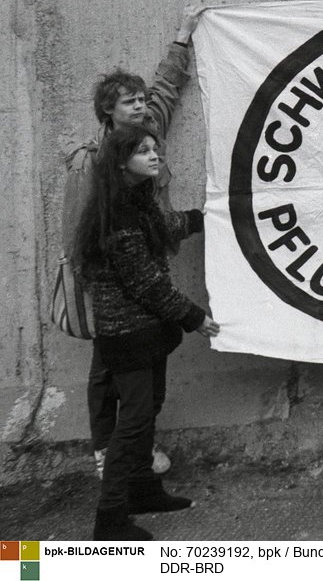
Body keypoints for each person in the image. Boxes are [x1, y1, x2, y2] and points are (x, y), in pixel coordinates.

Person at [62, 8, 203, 480]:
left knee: (141, 372)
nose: (141, 108)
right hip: (108, 278)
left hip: (142, 272)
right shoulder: (92, 162)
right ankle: (110, 454)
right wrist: (88, 281)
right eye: (129, 103)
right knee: (108, 370)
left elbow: (167, 86)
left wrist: (183, 35)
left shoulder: (148, 135)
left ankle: (132, 452)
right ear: (109, 112)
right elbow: (78, 229)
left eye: (142, 102)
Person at [74, 126, 220, 540]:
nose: (154, 156)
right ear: (122, 162)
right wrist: (194, 318)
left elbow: (165, 226)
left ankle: (141, 492)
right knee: (133, 421)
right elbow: (145, 284)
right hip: (127, 336)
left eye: (155, 149)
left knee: (147, 410)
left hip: (146, 332)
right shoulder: (117, 213)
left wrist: (206, 218)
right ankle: (110, 518)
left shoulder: (136, 200)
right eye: (143, 151)